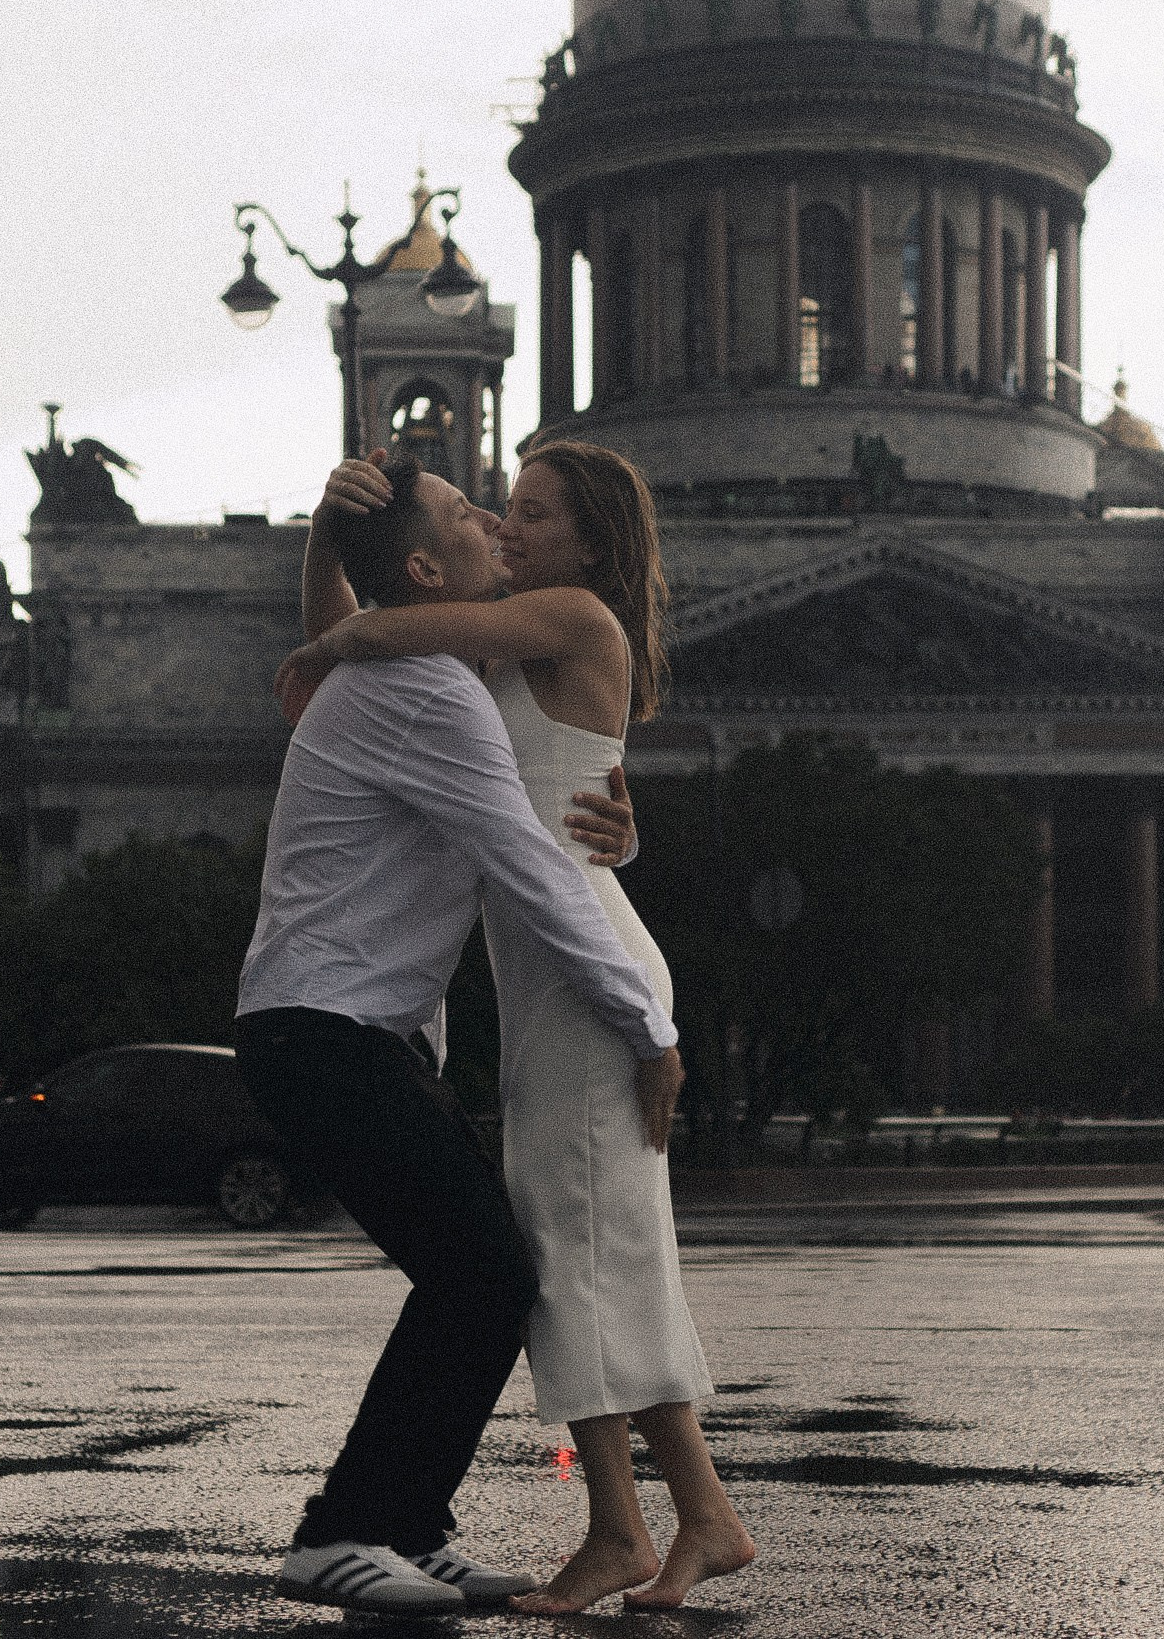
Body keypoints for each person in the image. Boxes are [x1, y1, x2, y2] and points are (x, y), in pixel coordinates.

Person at [280, 441, 755, 1615]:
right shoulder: (496, 632)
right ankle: (678, 1519)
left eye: (530, 510)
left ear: (588, 540)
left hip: (586, 967)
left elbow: (384, 629)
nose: (501, 518)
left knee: (576, 1251)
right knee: (572, 1248)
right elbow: (392, 620)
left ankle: (636, 1528)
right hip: (554, 966)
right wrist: (324, 545)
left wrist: (336, 629)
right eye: (494, 506)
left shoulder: (564, 612)